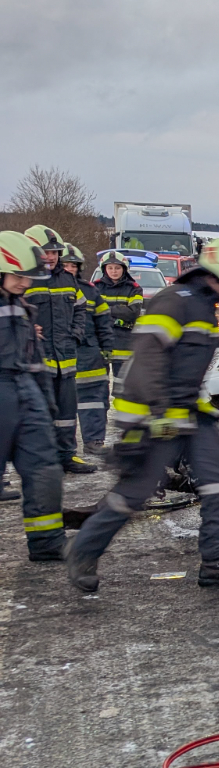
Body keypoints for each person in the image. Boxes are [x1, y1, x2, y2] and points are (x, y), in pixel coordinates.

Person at [68, 237, 219, 593]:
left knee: (218, 483)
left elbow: (186, 368)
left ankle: (217, 563)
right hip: (154, 415)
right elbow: (147, 360)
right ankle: (82, 551)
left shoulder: (203, 306)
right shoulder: (174, 301)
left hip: (188, 414)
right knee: (136, 491)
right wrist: (156, 415)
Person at [0, 232, 66, 560]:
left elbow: (34, 358)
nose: (24, 283)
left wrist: (46, 403)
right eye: (18, 276)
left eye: (28, 277)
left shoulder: (21, 307)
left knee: (43, 468)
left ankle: (47, 543)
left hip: (25, 390)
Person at [23, 225, 93, 474]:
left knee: (66, 413)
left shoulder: (67, 278)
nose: (51, 256)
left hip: (66, 360)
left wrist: (76, 332)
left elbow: (81, 307)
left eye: (55, 252)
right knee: (39, 414)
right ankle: (42, 460)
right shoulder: (24, 279)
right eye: (46, 251)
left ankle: (66, 456)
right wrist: (27, 329)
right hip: (37, 361)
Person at [61, 245, 114, 456]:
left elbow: (104, 322)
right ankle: (62, 448)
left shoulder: (90, 291)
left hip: (90, 354)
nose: (69, 269)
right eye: (65, 265)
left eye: (73, 265)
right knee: (59, 403)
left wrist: (107, 348)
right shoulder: (46, 288)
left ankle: (94, 441)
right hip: (61, 353)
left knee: (94, 400)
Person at [96, 251, 144, 383]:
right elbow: (91, 311)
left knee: (122, 384)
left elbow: (133, 312)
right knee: (100, 384)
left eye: (117, 268)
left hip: (124, 341)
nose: (114, 271)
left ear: (124, 269)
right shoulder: (96, 287)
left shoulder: (134, 288)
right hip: (101, 341)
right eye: (110, 268)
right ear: (104, 269)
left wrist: (106, 310)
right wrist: (119, 311)